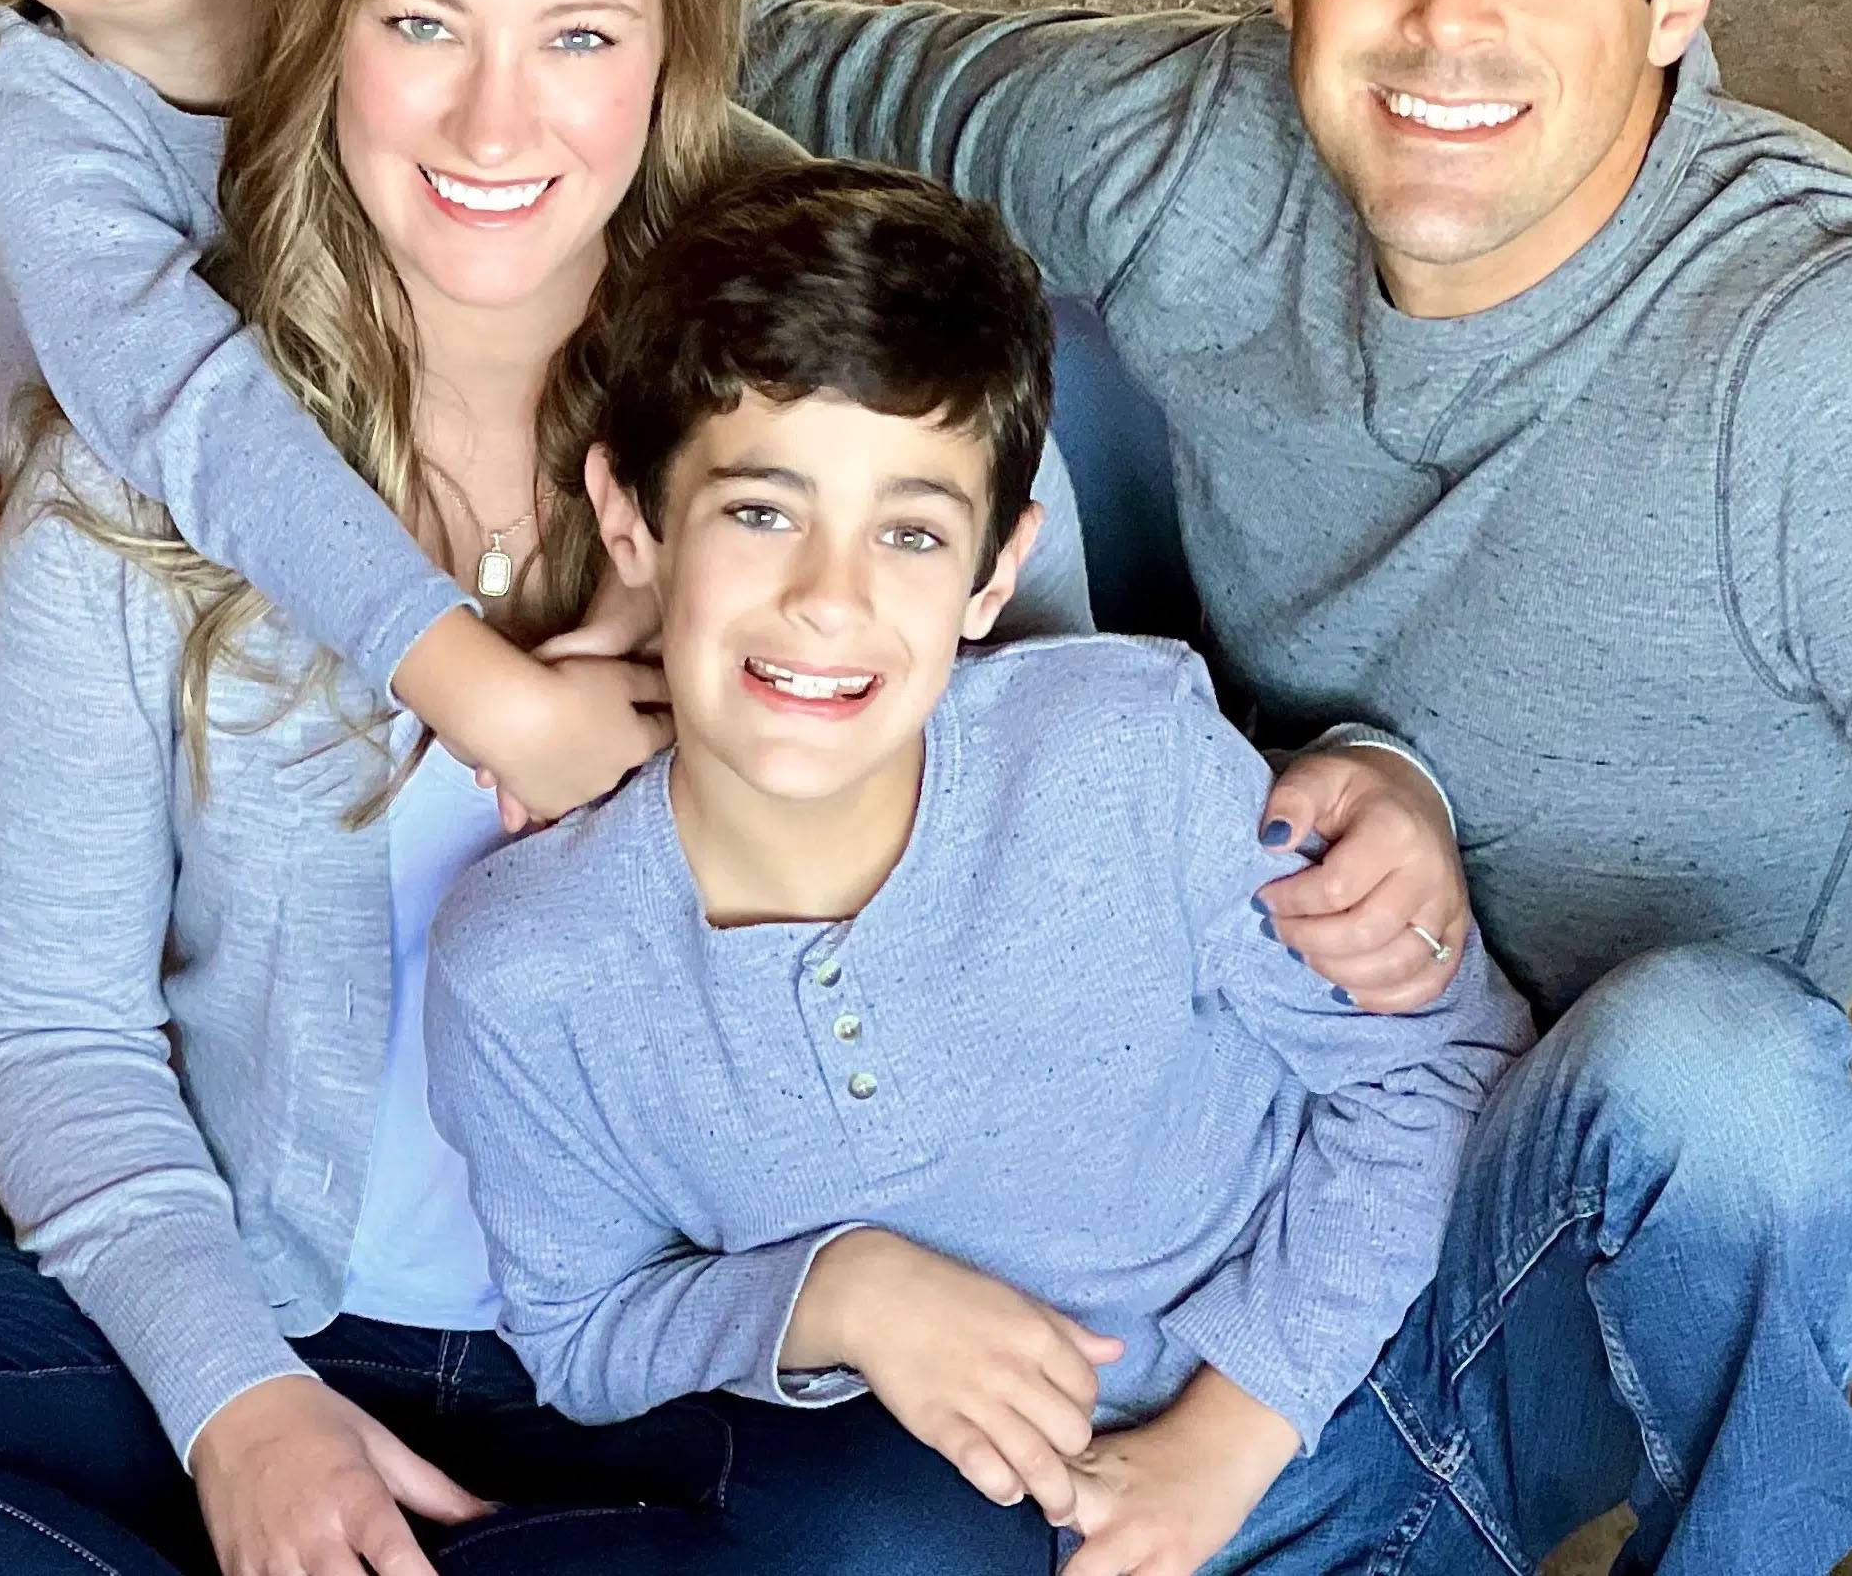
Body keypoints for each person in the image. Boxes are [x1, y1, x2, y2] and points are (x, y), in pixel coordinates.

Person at [0, 0, 1102, 1576]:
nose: (497, 122)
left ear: (676, 48)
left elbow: (1058, 879)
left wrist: (832, 1265)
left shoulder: (861, 433)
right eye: (422, 20)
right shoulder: (140, 463)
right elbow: (49, 1029)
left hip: (700, 1353)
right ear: (316, 12)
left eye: (580, 36)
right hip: (273, 1304)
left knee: (936, 1539)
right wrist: (242, 1408)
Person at [737, 0, 1852, 1570]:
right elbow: (663, 45)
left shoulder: (1835, 373)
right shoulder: (1184, 148)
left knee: (1721, 1080)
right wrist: (26, 284)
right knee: (955, 321)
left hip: (1530, 1249)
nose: (1450, 18)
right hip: (1192, 1125)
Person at [424, 158, 1535, 1576]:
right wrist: (834, 1292)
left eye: (908, 533)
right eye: (760, 511)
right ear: (632, 517)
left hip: (1366, 1383)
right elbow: (579, 1329)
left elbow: (1432, 1064)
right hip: (1029, 1526)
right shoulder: (529, 966)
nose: (829, 600)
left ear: (996, 569)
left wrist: (1230, 1429)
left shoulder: (1121, 753)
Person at [0, 0, 666, 1226]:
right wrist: (485, 689)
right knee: (28, 1066)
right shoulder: (30, 115)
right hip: (71, 666)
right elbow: (186, 408)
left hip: (297, 640)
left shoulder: (387, 39)